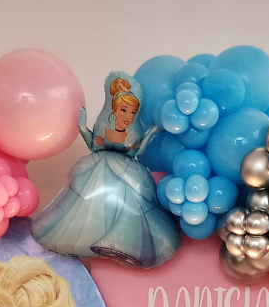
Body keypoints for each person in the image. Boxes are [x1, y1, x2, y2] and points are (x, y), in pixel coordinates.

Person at [32, 72, 180, 268]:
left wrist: (152, 131)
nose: (128, 116)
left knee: (134, 203)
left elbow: (139, 149)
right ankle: (77, 235)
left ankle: (130, 242)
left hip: (127, 172)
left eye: (132, 112)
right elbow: (93, 144)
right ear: (114, 111)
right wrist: (82, 127)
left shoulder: (132, 136)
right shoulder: (104, 131)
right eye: (124, 110)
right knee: (85, 200)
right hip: (98, 167)